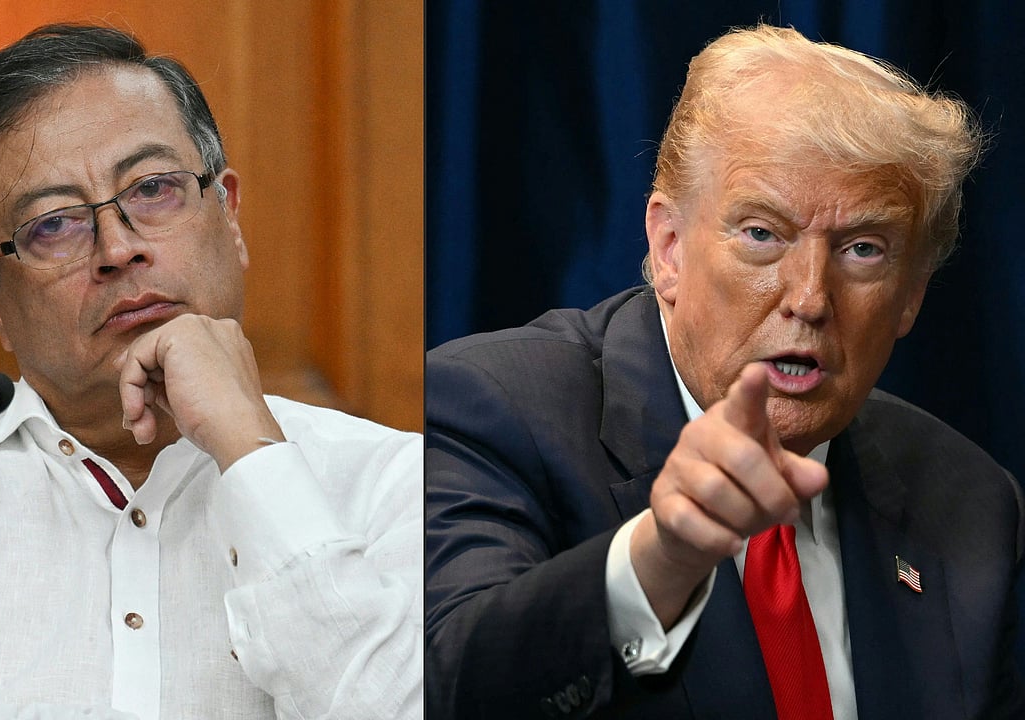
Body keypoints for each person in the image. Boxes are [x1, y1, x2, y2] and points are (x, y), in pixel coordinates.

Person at [425, 24, 1024, 719]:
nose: (809, 298)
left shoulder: (973, 504)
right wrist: (661, 559)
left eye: (862, 249)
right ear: (670, 247)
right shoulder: (496, 408)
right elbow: (446, 684)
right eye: (763, 234)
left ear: (912, 294)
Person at [0, 24, 422, 719]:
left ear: (228, 215)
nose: (118, 247)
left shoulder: (394, 483)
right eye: (54, 224)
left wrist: (247, 448)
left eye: (154, 189)